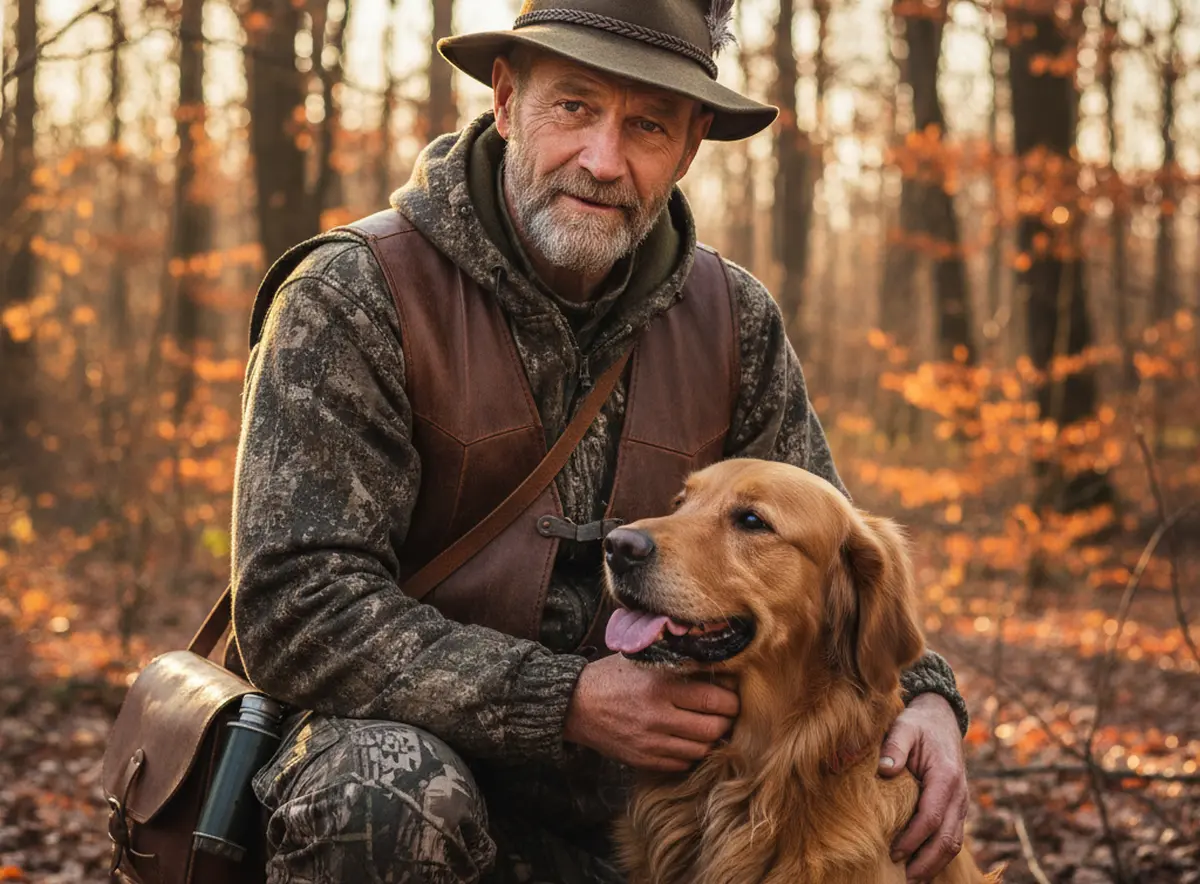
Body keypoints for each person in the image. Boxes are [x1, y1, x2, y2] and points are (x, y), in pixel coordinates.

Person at [230, 2, 973, 882]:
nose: (604, 160)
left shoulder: (735, 321)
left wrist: (928, 702)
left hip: (649, 812)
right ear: (507, 100)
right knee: (385, 790)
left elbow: (826, 558)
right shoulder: (351, 296)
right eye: (574, 107)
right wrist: (563, 701)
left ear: (691, 146)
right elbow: (296, 606)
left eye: (648, 125)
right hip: (417, 787)